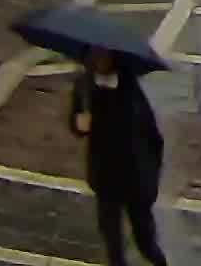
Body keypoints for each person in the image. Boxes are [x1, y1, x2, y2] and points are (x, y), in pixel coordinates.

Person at [66, 49, 170, 262]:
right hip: (105, 176)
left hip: (134, 178)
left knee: (146, 242)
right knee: (113, 245)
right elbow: (76, 121)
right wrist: (78, 124)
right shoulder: (84, 86)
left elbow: (151, 135)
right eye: (96, 55)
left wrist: (151, 176)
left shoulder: (129, 88)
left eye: (104, 56)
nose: (100, 60)